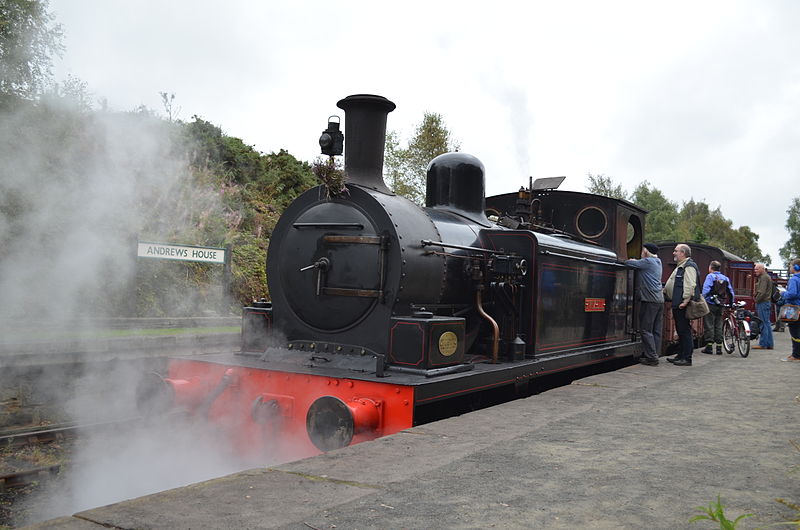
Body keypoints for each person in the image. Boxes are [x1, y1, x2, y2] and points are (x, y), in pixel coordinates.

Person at [626, 243, 664, 366]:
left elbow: (628, 263)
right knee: (656, 330)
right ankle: (655, 353)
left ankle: (651, 357)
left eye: (643, 250)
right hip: (659, 300)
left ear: (646, 251)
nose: (642, 252)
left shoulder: (647, 262)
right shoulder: (658, 261)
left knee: (646, 329)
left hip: (649, 300)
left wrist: (631, 260)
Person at [663, 243, 700, 366]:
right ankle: (680, 355)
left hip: (682, 304)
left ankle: (687, 358)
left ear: (683, 253)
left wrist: (685, 301)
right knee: (681, 330)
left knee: (684, 331)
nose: (674, 253)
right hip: (677, 303)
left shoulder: (689, 266)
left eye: (676, 251)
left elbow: (690, 284)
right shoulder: (682, 265)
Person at [700, 260, 735, 355]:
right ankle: (719, 347)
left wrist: (703, 299)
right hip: (721, 304)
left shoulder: (710, 276)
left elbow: (706, 290)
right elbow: (730, 292)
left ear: (711, 268)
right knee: (719, 324)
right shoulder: (725, 278)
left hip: (711, 303)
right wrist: (731, 303)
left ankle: (709, 347)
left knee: (709, 324)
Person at [780, 258, 800, 362]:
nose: (790, 268)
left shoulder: (794, 279)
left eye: (791, 266)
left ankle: (796, 355)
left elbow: (792, 294)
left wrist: (783, 293)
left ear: (796, 267)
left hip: (794, 308)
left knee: (795, 332)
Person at [752, 263, 774, 350]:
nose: (755, 271)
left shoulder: (764, 278)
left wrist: (756, 300)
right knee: (767, 323)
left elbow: (762, 292)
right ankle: (769, 343)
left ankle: (763, 344)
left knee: (763, 323)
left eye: (757, 269)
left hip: (763, 302)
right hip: (766, 302)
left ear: (762, 269)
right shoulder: (766, 277)